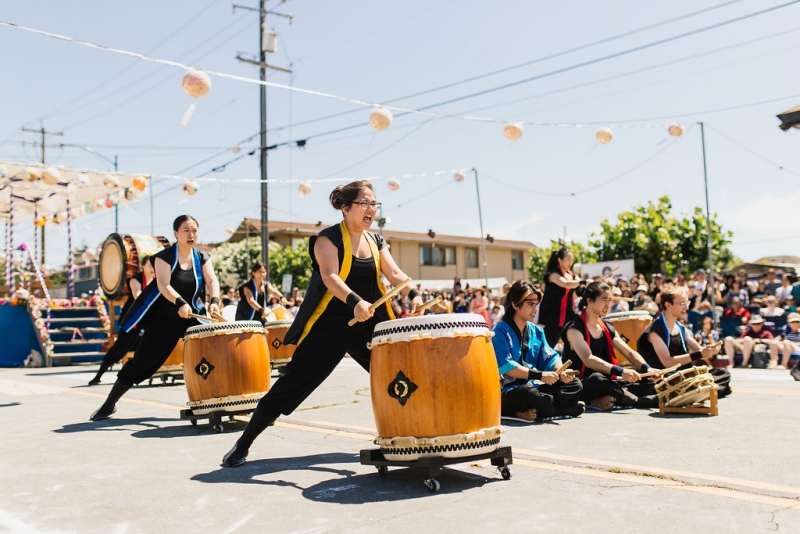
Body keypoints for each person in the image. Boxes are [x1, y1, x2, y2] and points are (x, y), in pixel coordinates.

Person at [221, 180, 423, 467]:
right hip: (331, 325)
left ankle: (407, 435)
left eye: (374, 203)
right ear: (345, 208)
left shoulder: (376, 240)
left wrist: (413, 294)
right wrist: (355, 301)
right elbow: (330, 277)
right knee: (294, 382)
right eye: (364, 203)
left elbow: (394, 273)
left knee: (398, 374)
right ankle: (244, 442)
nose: (371, 209)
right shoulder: (327, 239)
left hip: (370, 324)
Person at [89, 215, 221, 421]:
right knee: (143, 362)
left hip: (194, 315)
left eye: (194, 230)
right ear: (176, 233)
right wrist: (180, 303)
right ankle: (109, 404)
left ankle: (214, 400)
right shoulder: (164, 257)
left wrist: (213, 301)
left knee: (214, 351)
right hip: (165, 318)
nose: (191, 234)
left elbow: (212, 280)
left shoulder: (202, 257)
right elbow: (163, 284)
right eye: (186, 230)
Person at [492, 280, 584, 422]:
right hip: (509, 392)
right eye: (530, 304)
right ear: (515, 304)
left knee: (575, 384)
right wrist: (540, 375)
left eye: (536, 304)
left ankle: (540, 409)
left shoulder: (537, 331)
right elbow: (506, 366)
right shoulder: (499, 331)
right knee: (526, 393)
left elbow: (550, 357)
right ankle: (562, 409)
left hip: (534, 386)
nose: (535, 309)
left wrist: (561, 370)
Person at [560, 281, 660, 411]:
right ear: (589, 301)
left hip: (607, 381)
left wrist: (648, 369)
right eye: (604, 300)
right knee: (596, 379)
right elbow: (588, 359)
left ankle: (604, 400)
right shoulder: (574, 329)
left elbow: (629, 353)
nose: (608, 304)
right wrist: (621, 371)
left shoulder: (607, 327)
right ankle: (640, 402)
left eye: (610, 300)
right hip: (582, 383)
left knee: (646, 381)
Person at [637, 285, 731, 398]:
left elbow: (699, 350)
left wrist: (710, 350)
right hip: (663, 377)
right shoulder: (655, 331)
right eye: (682, 304)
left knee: (723, 373)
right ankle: (701, 392)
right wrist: (700, 354)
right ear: (668, 305)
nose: (686, 307)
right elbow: (667, 362)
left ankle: (696, 392)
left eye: (687, 303)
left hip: (683, 374)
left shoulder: (680, 327)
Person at [88, 255, 156, 385]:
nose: (152, 268)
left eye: (154, 266)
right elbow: (138, 296)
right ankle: (99, 375)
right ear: (143, 266)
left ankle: (141, 373)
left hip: (147, 317)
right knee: (120, 349)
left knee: (151, 342)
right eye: (149, 265)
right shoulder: (135, 280)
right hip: (133, 319)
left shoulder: (156, 280)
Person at [539, 248, 584, 347]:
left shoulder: (571, 274)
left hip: (568, 313)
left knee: (581, 327)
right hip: (553, 315)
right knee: (548, 344)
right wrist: (582, 282)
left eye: (572, 259)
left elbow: (578, 288)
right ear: (560, 260)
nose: (570, 262)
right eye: (568, 259)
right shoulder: (553, 274)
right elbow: (566, 284)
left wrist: (587, 285)